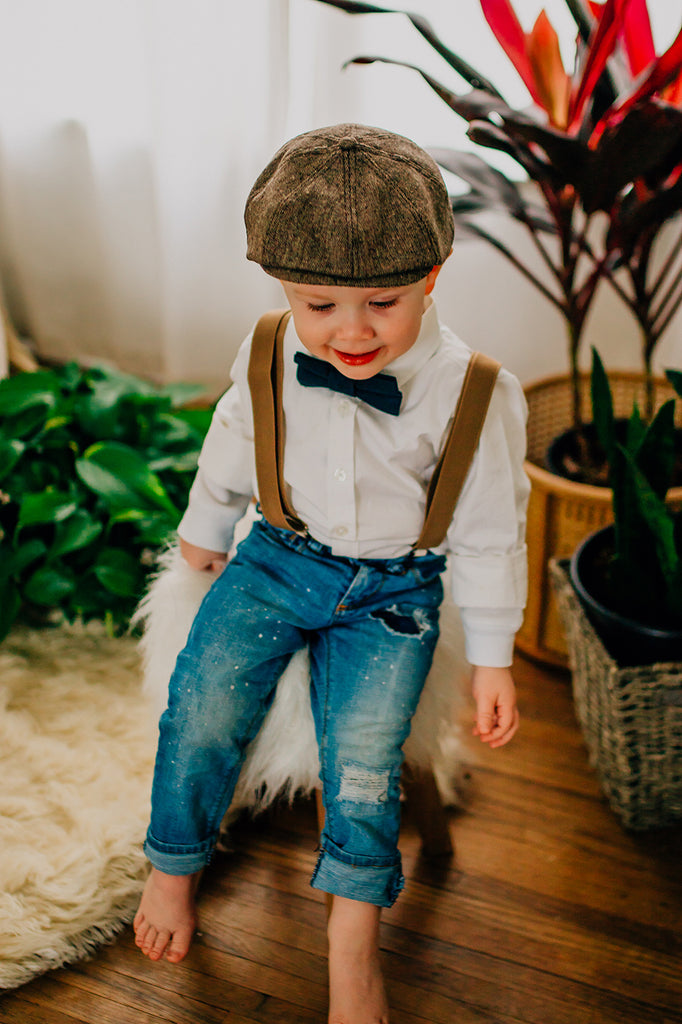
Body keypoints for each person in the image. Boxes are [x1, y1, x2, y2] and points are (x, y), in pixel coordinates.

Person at [133, 123, 529, 1024]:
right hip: (276, 557)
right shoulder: (269, 347)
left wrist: (496, 655)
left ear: (434, 276)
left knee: (363, 762)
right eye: (320, 306)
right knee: (202, 706)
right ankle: (171, 867)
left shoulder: (476, 391)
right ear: (282, 289)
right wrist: (203, 535)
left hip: (393, 591)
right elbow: (233, 437)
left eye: (383, 304)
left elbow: (492, 530)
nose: (350, 331)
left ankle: (352, 946)